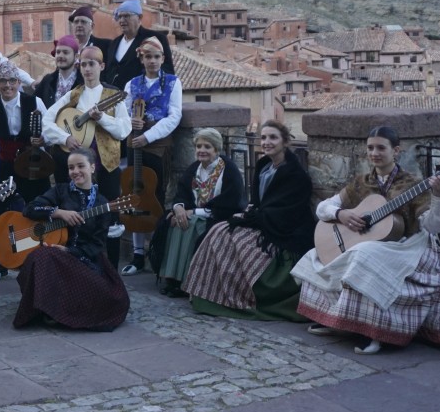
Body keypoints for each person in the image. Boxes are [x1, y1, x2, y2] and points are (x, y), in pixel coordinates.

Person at [291, 126, 440, 354]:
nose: (374, 153)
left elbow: (433, 226)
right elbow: (323, 208)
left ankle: (373, 333)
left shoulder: (412, 184)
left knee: (364, 256)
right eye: (370, 148)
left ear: (396, 151)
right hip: (370, 244)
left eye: (381, 148)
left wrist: (439, 196)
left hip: (404, 245)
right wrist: (341, 214)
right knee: (315, 255)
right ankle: (335, 320)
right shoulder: (361, 182)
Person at [185, 120, 314, 321]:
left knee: (232, 240)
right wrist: (248, 214)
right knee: (218, 232)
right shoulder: (264, 166)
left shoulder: (296, 175)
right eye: (263, 138)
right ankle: (210, 294)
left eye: (273, 137)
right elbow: (258, 202)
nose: (266, 142)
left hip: (285, 231)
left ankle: (237, 296)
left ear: (285, 142)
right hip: (262, 221)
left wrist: (249, 218)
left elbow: (285, 212)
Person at [13, 149, 130, 331]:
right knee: (43, 255)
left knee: (114, 299)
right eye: (71, 167)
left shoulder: (102, 203)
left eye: (80, 166)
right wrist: (58, 212)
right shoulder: (60, 191)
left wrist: (69, 251)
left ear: (92, 167)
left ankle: (59, 311)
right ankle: (48, 310)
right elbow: (29, 209)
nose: (75, 171)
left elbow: (96, 246)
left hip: (81, 257)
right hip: (52, 255)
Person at [42, 45, 131, 265]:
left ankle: (111, 269)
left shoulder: (114, 95)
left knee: (110, 214)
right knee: (74, 212)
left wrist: (101, 118)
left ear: (101, 66)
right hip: (76, 168)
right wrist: (65, 138)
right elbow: (46, 122)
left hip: (106, 165)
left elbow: (124, 130)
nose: (87, 69)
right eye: (83, 64)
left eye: (92, 64)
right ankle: (74, 262)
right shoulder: (74, 94)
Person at [149, 128, 245, 296]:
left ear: (216, 149)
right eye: (198, 146)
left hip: (218, 216)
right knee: (172, 222)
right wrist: (178, 207)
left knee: (191, 226)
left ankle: (188, 282)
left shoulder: (229, 170)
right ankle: (172, 279)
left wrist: (193, 212)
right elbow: (181, 193)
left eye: (207, 147)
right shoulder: (194, 168)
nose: (202, 150)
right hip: (192, 212)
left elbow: (231, 203)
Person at [119, 37, 183, 275]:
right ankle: (137, 254)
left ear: (163, 59)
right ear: (141, 58)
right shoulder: (132, 84)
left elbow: (174, 116)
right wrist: (130, 122)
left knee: (154, 197)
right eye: (148, 57)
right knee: (135, 195)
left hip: (157, 145)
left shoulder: (173, 83)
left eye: (156, 57)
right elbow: (122, 112)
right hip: (134, 144)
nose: (152, 61)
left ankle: (156, 250)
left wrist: (149, 136)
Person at [0, 61, 49, 205]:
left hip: (34, 165)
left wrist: (44, 139)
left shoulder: (35, 102)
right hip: (6, 167)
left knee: (39, 205)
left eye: (12, 80)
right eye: (2, 81)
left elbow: (49, 130)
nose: (8, 85)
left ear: (19, 82)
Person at [102, 0, 174, 90]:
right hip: (114, 99)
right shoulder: (114, 43)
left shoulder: (156, 38)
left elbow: (168, 71)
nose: (122, 20)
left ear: (139, 17)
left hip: (142, 99)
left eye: (126, 16)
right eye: (119, 17)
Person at [34, 35, 83, 109]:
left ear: (76, 56)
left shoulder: (84, 81)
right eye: (58, 52)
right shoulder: (47, 80)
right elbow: (33, 103)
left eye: (65, 52)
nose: (60, 55)